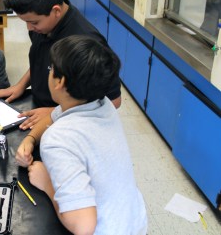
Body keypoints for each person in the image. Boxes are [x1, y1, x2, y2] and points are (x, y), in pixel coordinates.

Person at [15, 35, 147, 235]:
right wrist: (30, 139)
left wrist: (47, 183)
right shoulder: (101, 103)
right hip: (134, 222)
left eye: (51, 69)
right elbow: (53, 115)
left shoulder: (58, 139)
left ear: (60, 82)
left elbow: (84, 226)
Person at [0, 0, 121, 130]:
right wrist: (21, 85)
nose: (29, 28)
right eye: (26, 22)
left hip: (67, 122)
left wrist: (55, 112)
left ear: (56, 10)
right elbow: (42, 60)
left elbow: (113, 101)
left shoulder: (86, 41)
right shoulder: (42, 27)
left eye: (34, 22)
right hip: (40, 106)